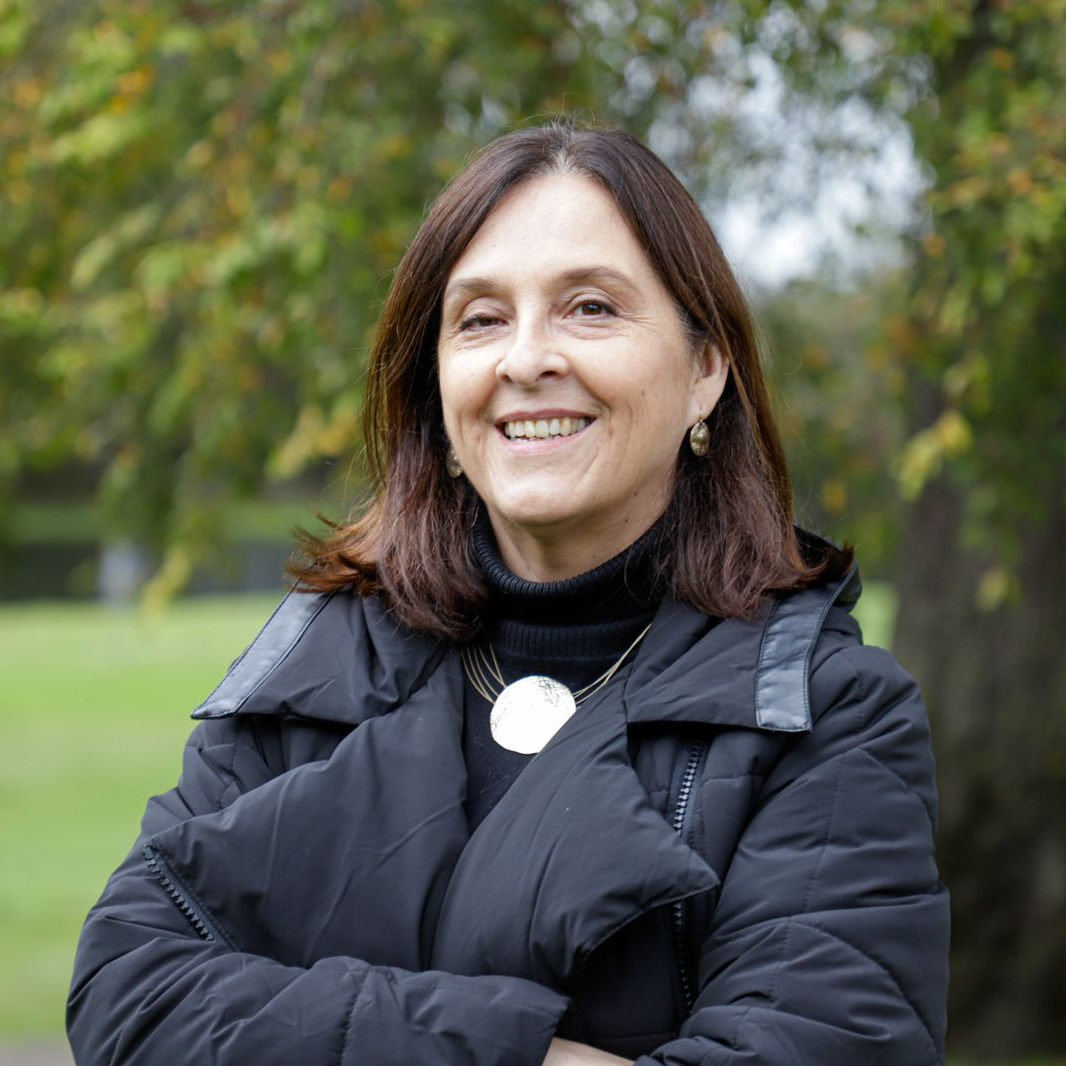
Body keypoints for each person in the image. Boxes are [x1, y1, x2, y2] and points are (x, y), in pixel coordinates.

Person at [68, 121, 950, 1066]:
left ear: (705, 371)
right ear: (437, 388)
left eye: (590, 308)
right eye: (481, 320)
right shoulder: (315, 673)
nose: (525, 360)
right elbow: (131, 993)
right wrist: (530, 1053)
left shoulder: (822, 716)